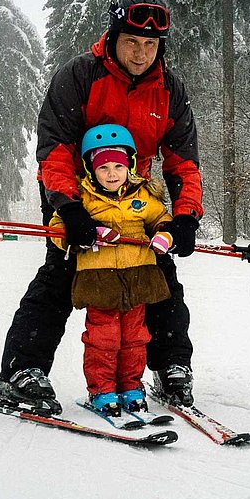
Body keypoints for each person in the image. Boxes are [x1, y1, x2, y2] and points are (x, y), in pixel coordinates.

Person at [0, 0, 203, 415]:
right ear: (114, 34)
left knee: (158, 277)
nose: (141, 54)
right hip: (73, 196)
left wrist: (185, 217)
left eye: (151, 45)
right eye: (132, 42)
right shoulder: (79, 76)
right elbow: (55, 149)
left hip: (133, 198)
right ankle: (21, 371)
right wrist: (68, 209)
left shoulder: (169, 89)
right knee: (62, 275)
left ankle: (172, 365)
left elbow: (183, 162)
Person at [48, 124, 175, 416]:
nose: (111, 173)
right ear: (91, 170)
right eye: (103, 167)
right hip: (99, 281)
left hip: (138, 277)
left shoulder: (142, 195)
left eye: (118, 165)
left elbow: (161, 219)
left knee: (135, 338)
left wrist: (165, 234)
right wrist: (86, 233)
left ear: (129, 165)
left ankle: (131, 387)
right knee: (103, 340)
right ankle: (102, 390)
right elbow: (57, 229)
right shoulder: (82, 199)